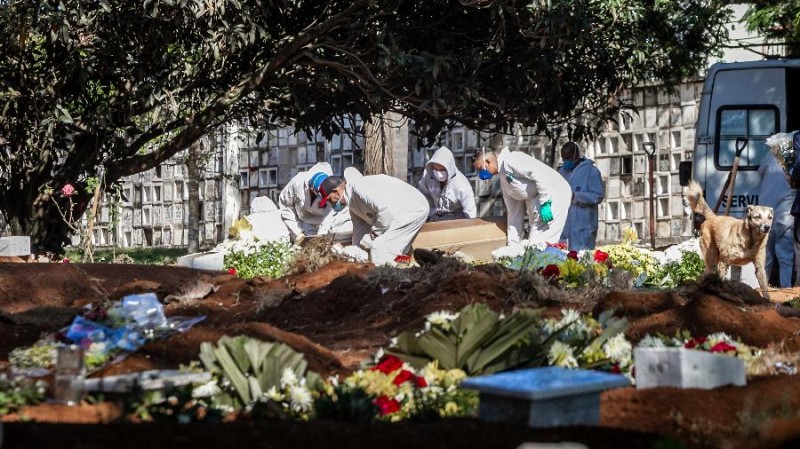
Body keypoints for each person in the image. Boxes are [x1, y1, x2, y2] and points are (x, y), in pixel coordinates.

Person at [318, 167, 428, 265]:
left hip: (412, 207)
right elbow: (359, 231)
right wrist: (356, 251)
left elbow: (386, 212)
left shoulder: (359, 188)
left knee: (380, 249)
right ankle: (409, 262)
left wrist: (373, 235)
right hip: (402, 210)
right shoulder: (352, 204)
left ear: (336, 192)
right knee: (388, 249)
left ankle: (394, 280)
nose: (330, 205)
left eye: (329, 200)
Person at [473, 145, 571, 246]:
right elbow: (514, 215)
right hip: (539, 203)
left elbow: (541, 174)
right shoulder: (504, 180)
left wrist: (546, 203)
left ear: (488, 162)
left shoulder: (512, 159)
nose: (481, 174)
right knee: (536, 245)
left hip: (554, 194)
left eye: (481, 169)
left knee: (540, 245)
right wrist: (512, 246)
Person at [278, 162, 351, 243]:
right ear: (312, 189)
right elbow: (286, 207)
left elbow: (328, 219)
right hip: (302, 222)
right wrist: (297, 232)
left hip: (325, 224)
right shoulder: (297, 183)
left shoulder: (330, 188)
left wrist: (320, 238)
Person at [558, 141, 605, 250]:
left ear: (576, 155)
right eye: (563, 158)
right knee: (563, 259)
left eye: (568, 157)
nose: (566, 161)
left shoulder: (591, 171)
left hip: (584, 224)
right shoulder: (562, 172)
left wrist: (576, 196)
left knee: (582, 258)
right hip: (565, 225)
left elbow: (597, 196)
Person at [759, 148, 795, 287]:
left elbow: (760, 172)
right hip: (785, 215)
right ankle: (787, 293)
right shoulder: (794, 163)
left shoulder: (771, 157)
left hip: (765, 214)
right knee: (785, 258)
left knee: (765, 257)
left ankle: (761, 291)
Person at [417, 146, 477, 222]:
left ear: (449, 168)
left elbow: (470, 213)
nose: (439, 173)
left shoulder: (462, 185)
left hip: (456, 222)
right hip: (434, 219)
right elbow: (422, 196)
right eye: (436, 169)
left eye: (442, 169)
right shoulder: (428, 177)